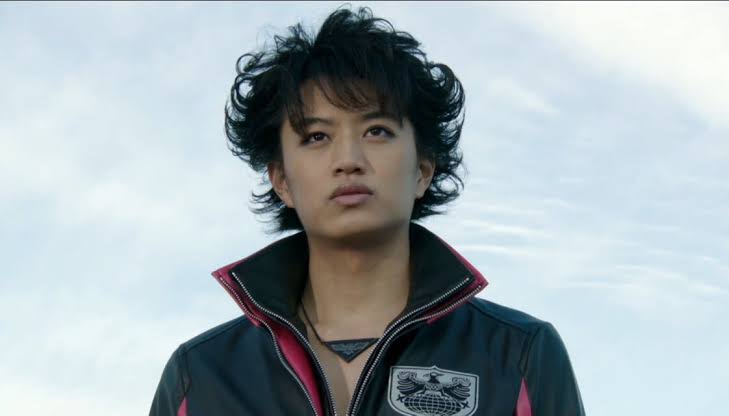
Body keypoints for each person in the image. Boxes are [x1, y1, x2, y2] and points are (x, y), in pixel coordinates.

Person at [149, 5, 585, 416]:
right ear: (281, 180)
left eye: (377, 130)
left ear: (423, 170)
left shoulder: (518, 355)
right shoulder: (200, 377)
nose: (348, 160)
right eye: (316, 137)